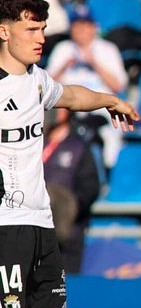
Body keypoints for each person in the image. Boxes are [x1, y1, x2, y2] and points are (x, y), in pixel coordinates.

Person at [0, 0, 139, 308]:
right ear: (4, 31)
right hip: (4, 224)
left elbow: (70, 94)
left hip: (40, 222)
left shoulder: (38, 81)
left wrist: (107, 99)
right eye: (31, 29)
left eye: (42, 28)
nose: (40, 38)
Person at [46, 4, 128, 167]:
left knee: (111, 132)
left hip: (100, 108)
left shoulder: (107, 49)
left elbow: (119, 86)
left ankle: (105, 172)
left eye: (86, 25)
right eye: (77, 25)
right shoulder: (63, 49)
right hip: (67, 110)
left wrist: (94, 63)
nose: (81, 30)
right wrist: (63, 67)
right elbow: (44, 85)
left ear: (93, 27)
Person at [42, 109, 100, 273]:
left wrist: (68, 210)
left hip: (68, 234)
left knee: (65, 290)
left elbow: (89, 188)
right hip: (35, 231)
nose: (51, 111)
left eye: (57, 107)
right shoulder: (33, 143)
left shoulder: (79, 147)